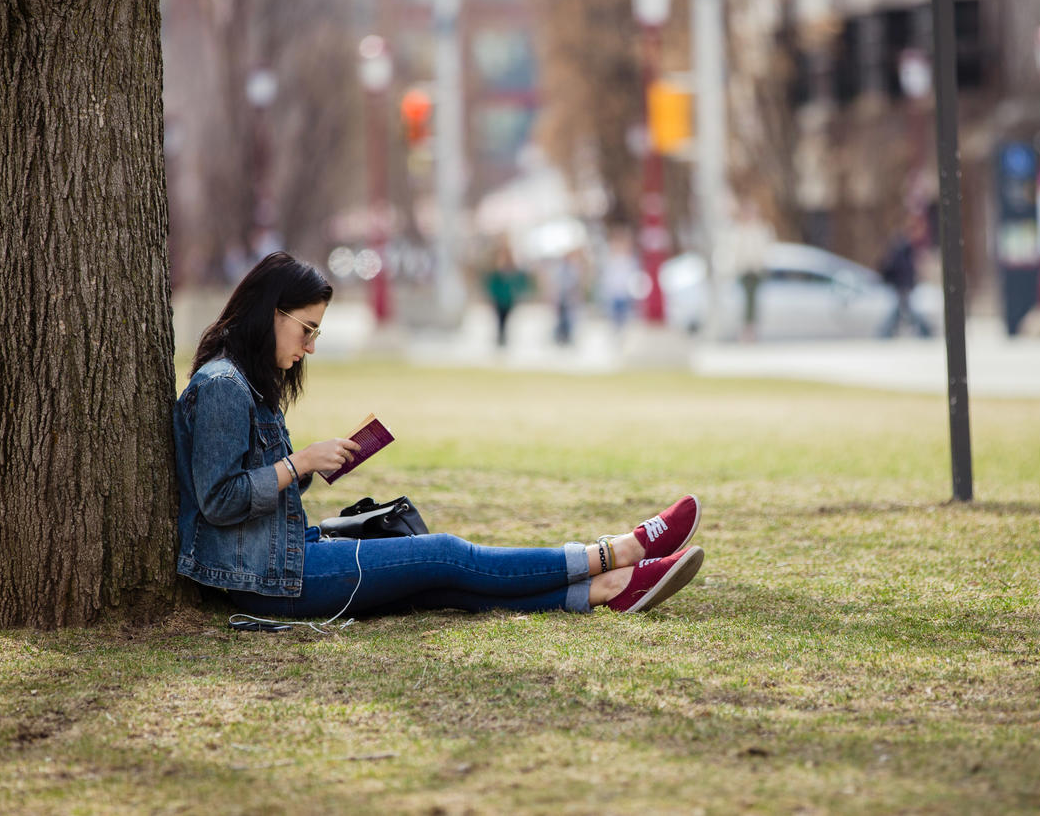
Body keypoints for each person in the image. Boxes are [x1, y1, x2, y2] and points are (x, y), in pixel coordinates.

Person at [173, 252, 705, 620]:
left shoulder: (249, 384)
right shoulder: (222, 385)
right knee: (444, 554)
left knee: (436, 579)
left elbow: (258, 494)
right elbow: (219, 502)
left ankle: (603, 589)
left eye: (318, 332)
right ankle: (616, 552)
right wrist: (300, 462)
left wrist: (313, 466)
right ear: (271, 314)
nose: (310, 346)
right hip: (265, 578)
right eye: (307, 329)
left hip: (279, 556)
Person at [878, 213, 933, 339]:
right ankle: (925, 331)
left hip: (903, 284)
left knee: (902, 311)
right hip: (902, 285)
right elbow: (900, 267)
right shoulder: (903, 248)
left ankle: (886, 333)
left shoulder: (905, 248)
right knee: (905, 311)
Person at [729, 199, 773, 343]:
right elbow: (735, 251)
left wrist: (760, 265)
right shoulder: (738, 230)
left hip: (756, 270)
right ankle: (745, 330)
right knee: (745, 301)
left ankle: (751, 330)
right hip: (744, 270)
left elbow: (764, 250)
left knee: (753, 301)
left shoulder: (761, 229)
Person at [482, 243, 530, 348]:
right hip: (499, 298)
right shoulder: (497, 270)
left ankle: (503, 337)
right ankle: (500, 337)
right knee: (500, 319)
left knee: (505, 319)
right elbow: (492, 283)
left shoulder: (513, 270)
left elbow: (519, 282)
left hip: (508, 299)